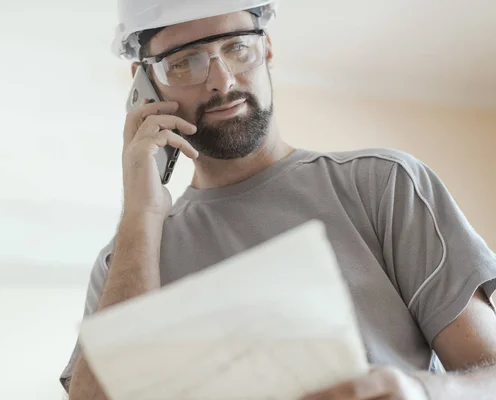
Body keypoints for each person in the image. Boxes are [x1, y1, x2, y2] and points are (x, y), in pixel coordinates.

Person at [63, 1, 496, 399]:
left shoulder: (383, 186)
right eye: (184, 62)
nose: (222, 80)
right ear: (146, 85)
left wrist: (420, 392)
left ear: (267, 49)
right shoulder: (123, 264)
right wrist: (140, 214)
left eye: (237, 47)